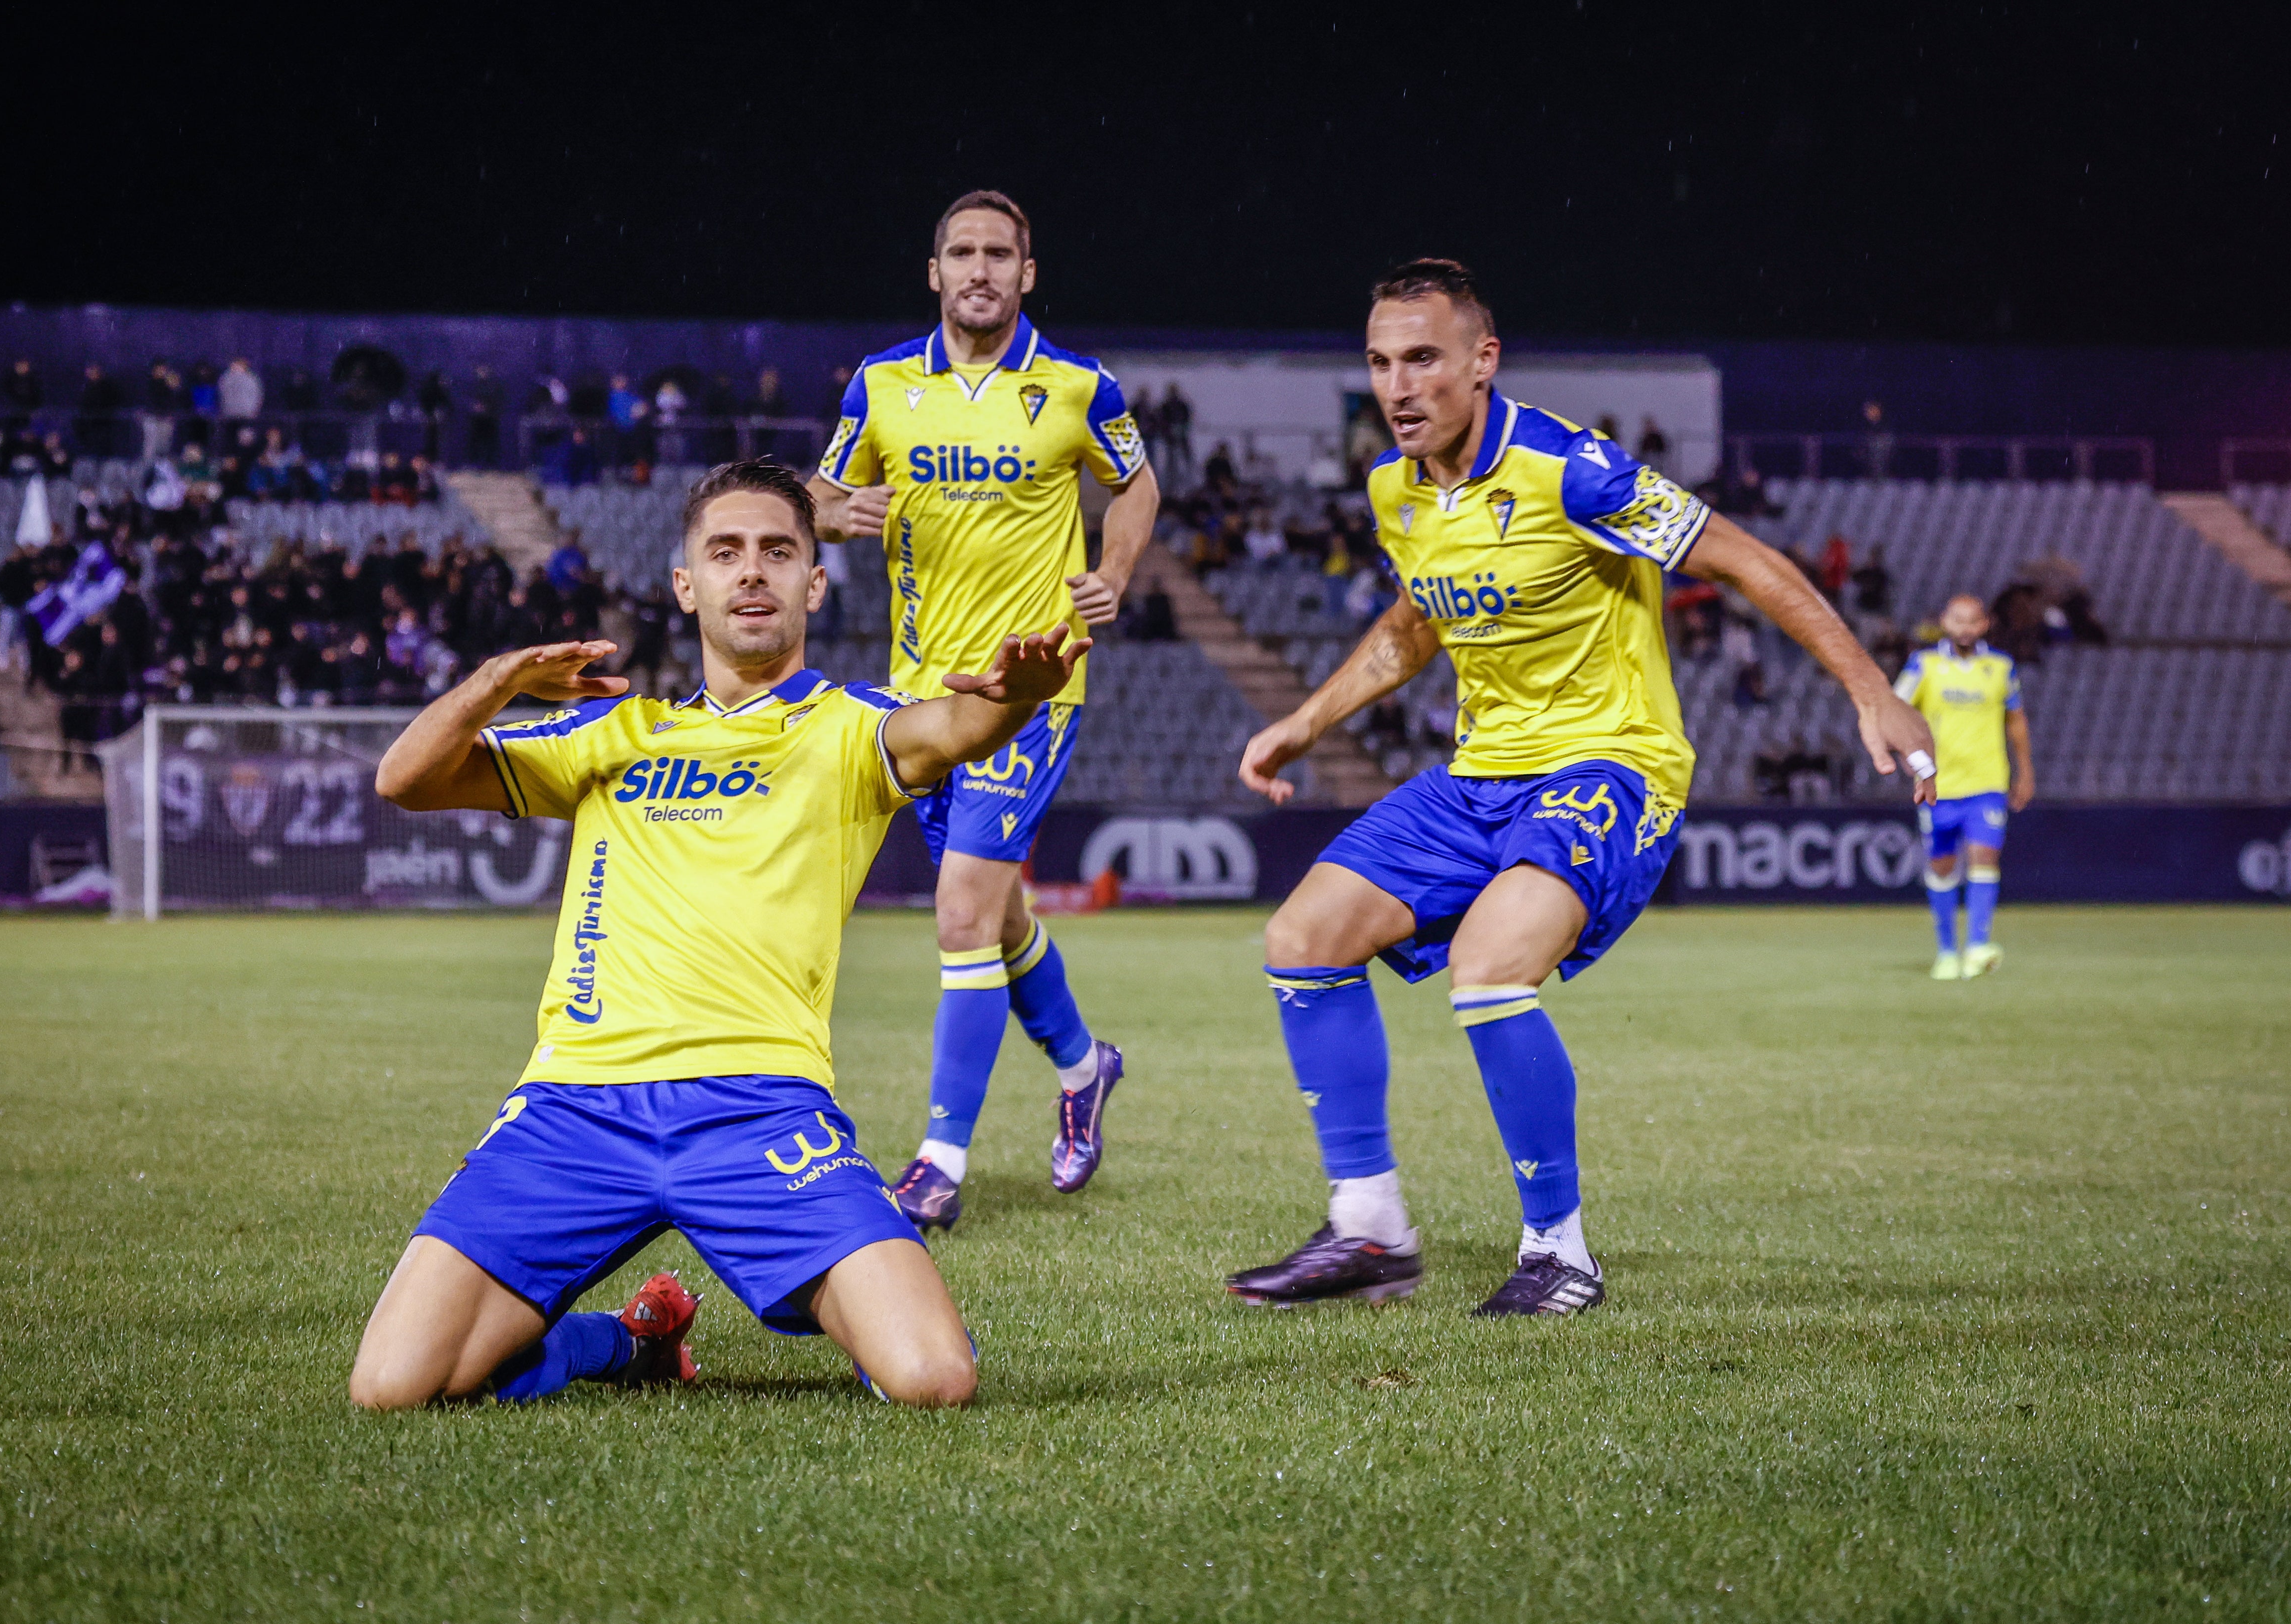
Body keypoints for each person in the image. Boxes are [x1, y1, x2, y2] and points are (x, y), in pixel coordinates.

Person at [1224, 261, 1936, 1318]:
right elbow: (1415, 623)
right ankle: (1369, 1228)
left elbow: (1743, 560)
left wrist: (1869, 689)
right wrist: (1304, 721)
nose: (1398, 385)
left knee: (1489, 963)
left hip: (1612, 761)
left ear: (1481, 360)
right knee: (1302, 936)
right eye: (1380, 362)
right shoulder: (1395, 490)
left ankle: (1560, 1252)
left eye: (1423, 357)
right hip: (1480, 775)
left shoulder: (1574, 472)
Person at [347, 457, 1093, 1411]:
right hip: (577, 1105)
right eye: (726, 552)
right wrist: (497, 681)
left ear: (813, 583)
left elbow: (953, 727)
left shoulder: (850, 729)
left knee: (934, 1376)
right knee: (393, 1386)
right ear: (685, 585)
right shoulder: (614, 733)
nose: (752, 572)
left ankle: (872, 1307)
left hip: (761, 1109)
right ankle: (624, 1343)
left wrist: (1016, 698)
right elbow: (404, 780)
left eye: (778, 552)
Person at [808, 189, 1160, 1230]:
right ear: (934, 272)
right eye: (961, 252)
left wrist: (1116, 573)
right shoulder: (880, 385)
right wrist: (838, 512)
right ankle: (1083, 1064)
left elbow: (1136, 485)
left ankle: (937, 1162)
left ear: (1026, 272)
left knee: (960, 908)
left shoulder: (1078, 386)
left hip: (1030, 686)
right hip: (923, 693)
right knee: (997, 916)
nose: (979, 269)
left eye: (998, 253)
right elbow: (818, 497)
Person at [1894, 593, 2032, 981]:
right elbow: (1896, 710)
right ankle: (1947, 952)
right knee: (1942, 867)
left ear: (1985, 625)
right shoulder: (1924, 665)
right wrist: (1911, 757)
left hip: (1987, 781)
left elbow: (2016, 722)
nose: (1965, 628)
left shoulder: (2001, 667)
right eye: (1958, 620)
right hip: (1939, 785)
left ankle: (1977, 946)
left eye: (1973, 621)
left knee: (1985, 858)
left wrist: (2026, 771)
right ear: (1945, 622)